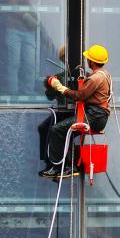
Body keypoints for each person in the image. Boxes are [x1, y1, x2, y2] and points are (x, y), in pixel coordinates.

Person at [40, 44, 112, 179]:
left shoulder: (95, 78)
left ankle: (59, 167)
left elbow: (79, 96)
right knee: (66, 132)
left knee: (57, 130)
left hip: (94, 116)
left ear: (92, 61)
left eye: (88, 59)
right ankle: (69, 165)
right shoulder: (104, 74)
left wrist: (60, 87)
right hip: (97, 116)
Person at [37, 45, 73, 173]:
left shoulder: (83, 75)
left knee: (57, 131)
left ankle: (59, 164)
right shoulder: (61, 76)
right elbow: (50, 96)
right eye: (63, 60)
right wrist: (49, 84)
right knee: (42, 128)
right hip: (62, 111)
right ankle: (48, 161)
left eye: (65, 60)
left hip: (71, 112)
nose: (65, 63)